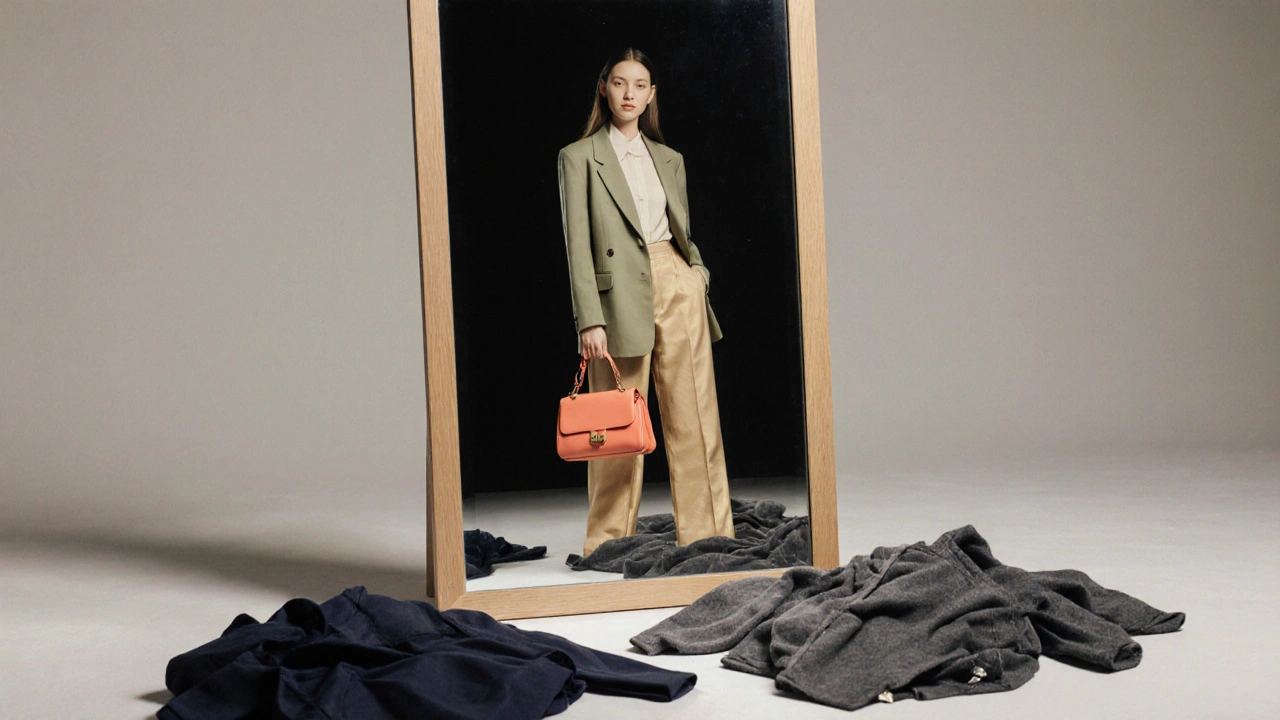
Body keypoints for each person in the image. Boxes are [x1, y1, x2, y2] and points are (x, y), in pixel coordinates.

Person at [557, 48, 735, 556]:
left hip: (676, 282)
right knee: (613, 421)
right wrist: (588, 318)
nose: (629, 93)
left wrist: (696, 273)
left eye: (639, 85)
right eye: (619, 83)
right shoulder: (578, 156)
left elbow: (682, 229)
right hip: (617, 297)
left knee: (695, 413)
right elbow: (578, 245)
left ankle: (709, 534)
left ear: (652, 94)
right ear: (604, 89)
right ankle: (609, 541)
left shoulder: (669, 158)